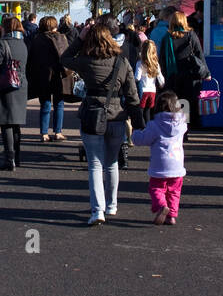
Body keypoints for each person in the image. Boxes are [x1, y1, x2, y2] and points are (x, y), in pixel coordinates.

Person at [64, 23, 142, 225]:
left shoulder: (86, 60)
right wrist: (138, 120)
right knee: (112, 162)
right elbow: (132, 95)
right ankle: (112, 205)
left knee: (95, 165)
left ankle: (97, 210)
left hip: (92, 113)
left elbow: (63, 59)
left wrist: (79, 39)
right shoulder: (122, 61)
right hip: (116, 116)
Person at [133, 90, 187, 225]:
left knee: (156, 188)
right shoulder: (182, 125)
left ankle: (162, 206)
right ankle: (172, 216)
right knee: (174, 191)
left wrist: (135, 133)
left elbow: (141, 139)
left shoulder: (155, 125)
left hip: (160, 165)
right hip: (177, 165)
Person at [0, 14, 29, 171]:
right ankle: (17, 157)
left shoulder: (0, 44)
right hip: (21, 86)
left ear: (6, 28)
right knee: (15, 123)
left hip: (6, 85)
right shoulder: (23, 44)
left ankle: (9, 160)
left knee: (6, 123)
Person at [160, 11, 209, 127]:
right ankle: (185, 127)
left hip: (173, 75)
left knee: (174, 102)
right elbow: (199, 54)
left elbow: (162, 58)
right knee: (186, 102)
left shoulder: (167, 37)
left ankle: (176, 125)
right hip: (190, 74)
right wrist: (206, 73)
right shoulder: (190, 35)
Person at [27, 15, 71, 141]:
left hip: (42, 76)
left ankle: (44, 133)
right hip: (58, 75)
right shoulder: (61, 38)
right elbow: (66, 56)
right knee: (59, 104)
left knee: (45, 104)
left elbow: (32, 59)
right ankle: (58, 132)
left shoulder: (37, 39)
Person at [134, 39, 165, 125]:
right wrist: (162, 85)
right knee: (148, 112)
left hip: (143, 91)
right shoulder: (156, 64)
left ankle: (143, 129)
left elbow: (137, 77)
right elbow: (161, 80)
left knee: (141, 112)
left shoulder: (140, 63)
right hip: (152, 92)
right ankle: (149, 127)